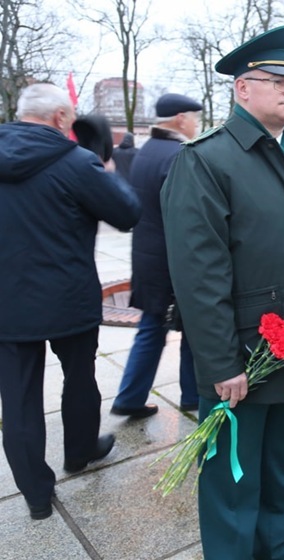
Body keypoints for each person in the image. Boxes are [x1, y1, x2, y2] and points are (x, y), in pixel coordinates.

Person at [160, 26, 284, 560]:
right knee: (231, 469)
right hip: (244, 349)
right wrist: (220, 361)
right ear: (242, 89)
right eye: (278, 80)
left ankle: (278, 544)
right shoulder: (206, 160)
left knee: (283, 458)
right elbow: (199, 274)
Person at [0, 83, 140, 520]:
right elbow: (127, 213)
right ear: (61, 117)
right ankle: (80, 451)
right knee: (80, 379)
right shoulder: (77, 162)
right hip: (67, 297)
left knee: (18, 399)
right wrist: (106, 168)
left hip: (6, 302)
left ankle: (36, 494)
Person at [111, 93, 203, 420]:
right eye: (194, 118)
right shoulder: (180, 154)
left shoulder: (149, 149)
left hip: (148, 254)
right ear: (180, 118)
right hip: (170, 260)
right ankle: (193, 395)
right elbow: (186, 216)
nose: (196, 125)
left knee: (152, 328)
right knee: (193, 327)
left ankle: (131, 396)